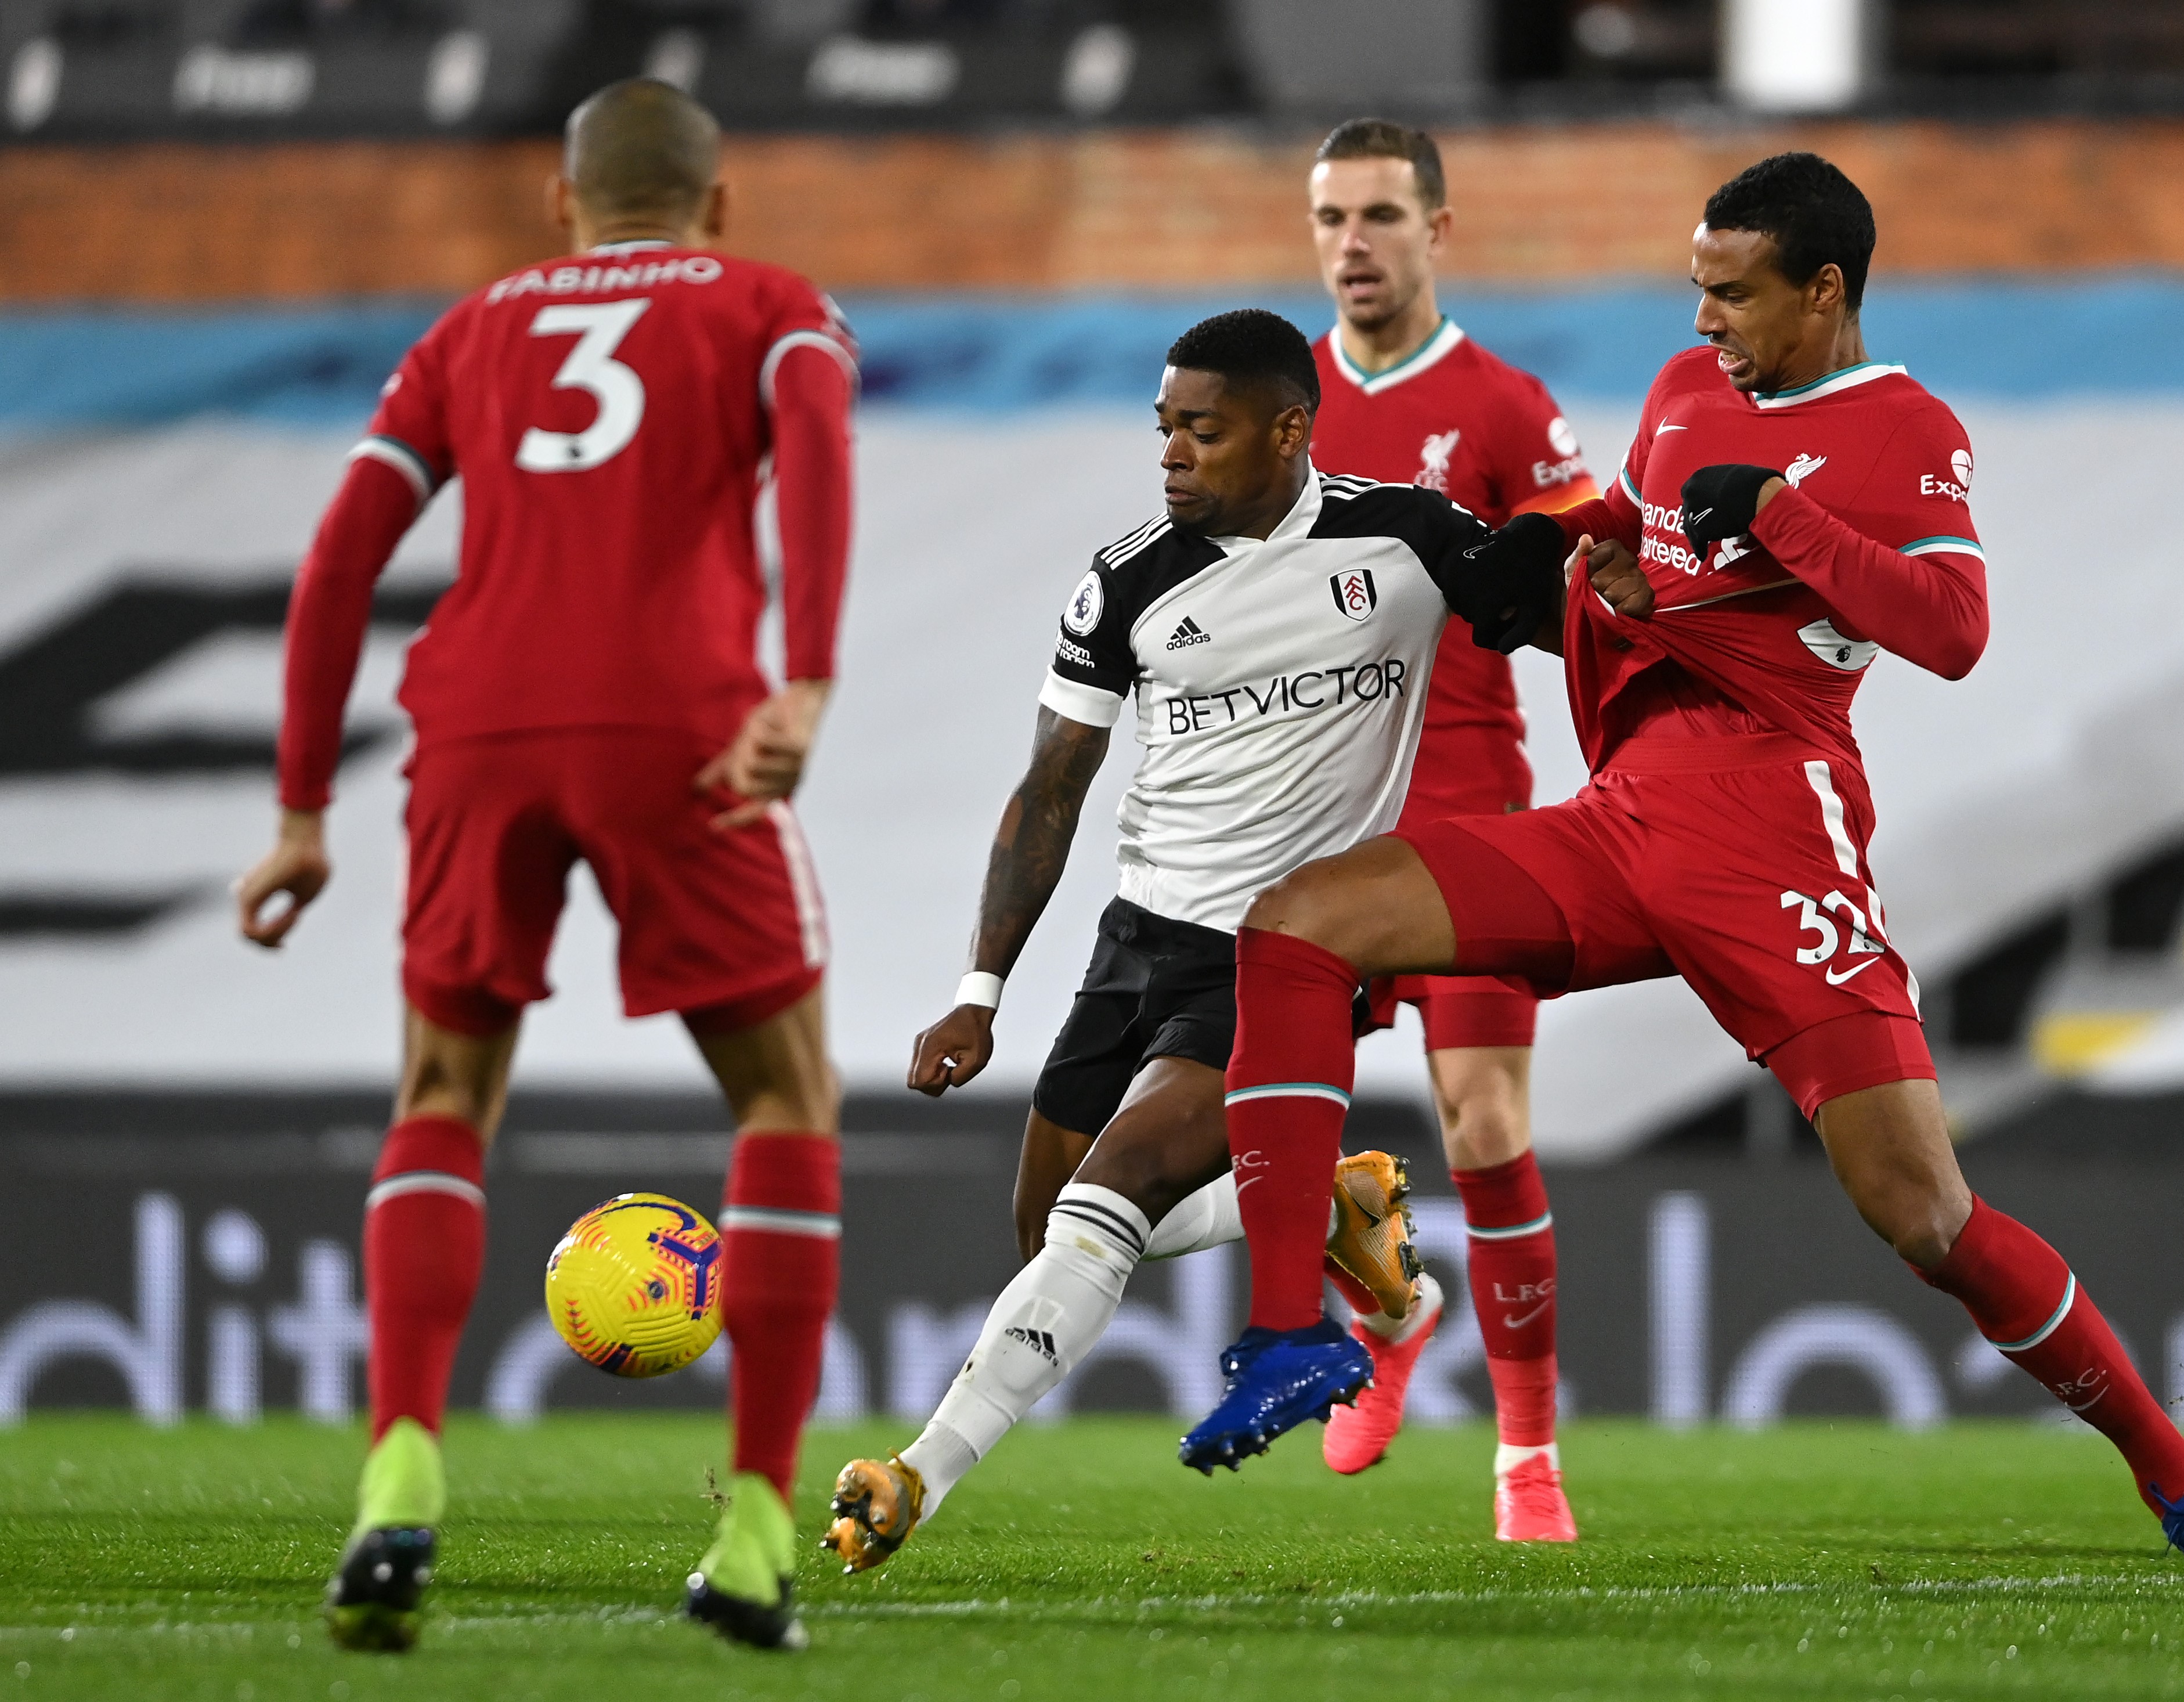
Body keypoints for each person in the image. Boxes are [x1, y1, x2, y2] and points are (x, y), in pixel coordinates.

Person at [1183, 152, 2184, 1588]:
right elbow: (1641, 554)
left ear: (1821, 289)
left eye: (1732, 293)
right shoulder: (1677, 391)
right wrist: (1557, 556)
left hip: (1774, 842)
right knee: (1300, 920)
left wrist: (1780, 512)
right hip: (1616, 818)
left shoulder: (1902, 425)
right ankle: (1294, 1330)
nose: (1704, 319)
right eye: (1695, 288)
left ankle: (2181, 1473)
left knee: (1926, 1218)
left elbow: (1950, 626)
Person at [234, 78, 860, 1651]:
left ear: (559, 207)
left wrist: (305, 805)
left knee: (441, 1095)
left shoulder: (470, 330)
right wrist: (806, 673)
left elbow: (337, 562)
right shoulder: (772, 303)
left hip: (480, 728)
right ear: (717, 204)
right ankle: (761, 1533)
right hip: (680, 720)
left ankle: (396, 1476)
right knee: (786, 1100)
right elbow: (818, 446)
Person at [821, 308, 1594, 1574]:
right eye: (1164, 427)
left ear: (1289, 431)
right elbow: (1047, 790)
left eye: (1202, 428)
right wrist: (980, 989)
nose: (1172, 453)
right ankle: (1337, 1215)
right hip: (1138, 940)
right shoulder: (1127, 576)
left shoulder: (1398, 534)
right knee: (1050, 1238)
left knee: (1102, 1206)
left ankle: (912, 1476)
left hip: (1286, 953)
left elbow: (1547, 608)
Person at [1301, 117, 1604, 1542]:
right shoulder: (1271, 400)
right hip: (1306, 820)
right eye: (1328, 218)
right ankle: (1392, 1306)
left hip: (1466, 803)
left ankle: (1525, 1456)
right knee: (1242, 1126)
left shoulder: (1496, 405)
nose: (1351, 243)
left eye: (1377, 215)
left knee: (1482, 1125)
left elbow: (1583, 589)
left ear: (1436, 230)